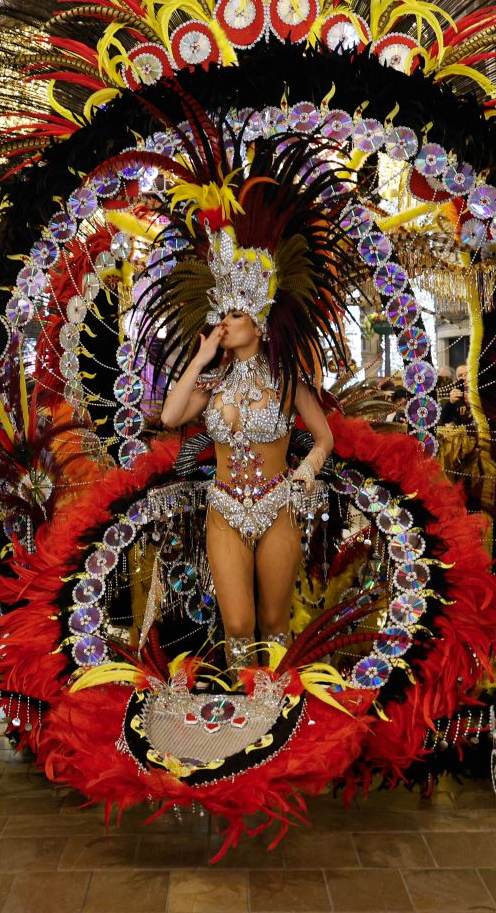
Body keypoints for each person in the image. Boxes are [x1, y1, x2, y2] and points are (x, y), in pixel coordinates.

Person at [159, 227, 337, 668]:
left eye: (235, 314)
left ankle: (277, 720)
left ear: (258, 322)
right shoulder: (212, 381)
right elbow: (170, 416)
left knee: (274, 622)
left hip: (277, 507)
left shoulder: (287, 381)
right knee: (238, 625)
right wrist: (201, 358)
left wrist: (307, 471)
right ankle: (245, 722)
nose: (225, 322)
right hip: (224, 511)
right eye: (222, 313)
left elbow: (325, 436)